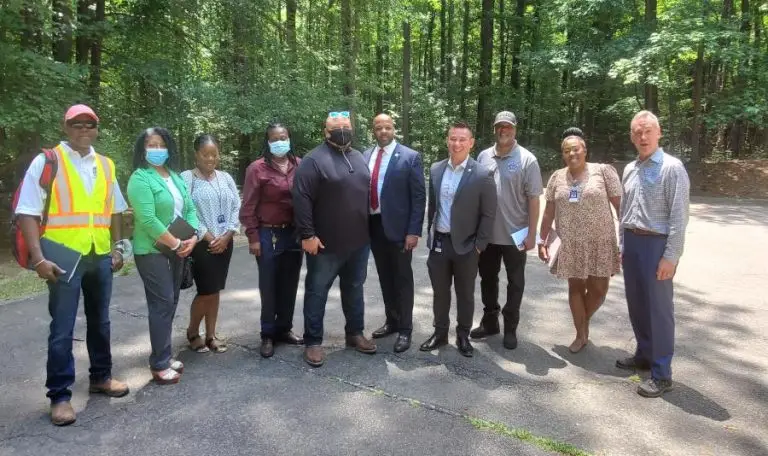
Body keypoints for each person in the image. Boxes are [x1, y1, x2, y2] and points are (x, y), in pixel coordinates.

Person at [14, 104, 130, 426]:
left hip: (100, 256)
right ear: (65, 127)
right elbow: (27, 212)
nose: (83, 129)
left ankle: (101, 377)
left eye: (89, 124)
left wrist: (119, 247)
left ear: (96, 128)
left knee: (101, 322)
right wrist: (38, 259)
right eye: (76, 124)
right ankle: (60, 395)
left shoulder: (106, 165)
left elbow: (116, 210)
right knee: (62, 329)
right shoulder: (48, 161)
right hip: (62, 258)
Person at [292, 111, 376, 367]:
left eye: (346, 126)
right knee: (317, 292)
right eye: (336, 126)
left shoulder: (359, 157)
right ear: (325, 131)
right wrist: (307, 234)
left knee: (354, 289)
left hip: (359, 242)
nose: (342, 130)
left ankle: (355, 333)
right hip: (324, 245)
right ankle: (313, 342)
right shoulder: (313, 160)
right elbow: (301, 198)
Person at [615, 111, 690, 398]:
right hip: (633, 244)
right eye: (637, 132)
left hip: (656, 245)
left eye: (647, 131)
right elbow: (624, 212)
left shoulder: (672, 168)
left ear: (659, 133)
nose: (642, 137)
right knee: (637, 304)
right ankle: (644, 355)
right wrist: (623, 245)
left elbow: (679, 218)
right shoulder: (630, 169)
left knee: (659, 311)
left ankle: (662, 374)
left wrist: (671, 257)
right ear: (632, 136)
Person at [537, 127, 621, 353]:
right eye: (566, 151)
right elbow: (548, 212)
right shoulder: (557, 177)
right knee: (575, 287)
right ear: (562, 154)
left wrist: (626, 238)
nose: (571, 154)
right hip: (570, 243)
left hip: (600, 243)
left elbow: (619, 206)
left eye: (576, 149)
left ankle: (582, 319)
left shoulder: (603, 172)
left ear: (585, 150)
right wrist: (541, 239)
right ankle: (581, 334)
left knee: (599, 291)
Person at [127, 127, 200, 385]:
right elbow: (147, 218)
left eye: (161, 145)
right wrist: (177, 242)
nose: (156, 149)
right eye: (151, 145)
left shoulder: (175, 177)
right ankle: (159, 364)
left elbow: (189, 209)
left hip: (177, 248)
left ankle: (165, 355)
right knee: (162, 304)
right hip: (152, 251)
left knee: (171, 302)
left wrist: (192, 237)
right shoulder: (140, 178)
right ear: (142, 149)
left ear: (169, 148)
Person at [420, 121, 497, 357]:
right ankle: (440, 334)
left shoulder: (483, 174)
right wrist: (430, 236)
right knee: (440, 292)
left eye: (462, 139)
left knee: (465, 294)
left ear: (471, 143)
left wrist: (479, 246)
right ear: (447, 140)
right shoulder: (435, 169)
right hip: (440, 244)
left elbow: (489, 213)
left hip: (467, 247)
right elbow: (433, 207)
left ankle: (463, 335)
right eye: (453, 138)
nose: (457, 143)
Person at [472, 111, 542, 350]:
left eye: (508, 126)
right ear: (494, 129)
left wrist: (533, 234)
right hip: (487, 235)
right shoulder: (483, 156)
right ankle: (490, 322)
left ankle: (511, 327)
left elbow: (534, 199)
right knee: (487, 279)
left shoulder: (527, 160)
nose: (504, 130)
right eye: (500, 126)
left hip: (516, 235)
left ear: (515, 129)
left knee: (516, 282)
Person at [240, 123, 304, 358]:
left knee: (290, 283)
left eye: (284, 137)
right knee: (269, 285)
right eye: (275, 138)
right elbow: (247, 206)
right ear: (267, 142)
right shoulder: (257, 169)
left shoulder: (300, 164)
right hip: (268, 234)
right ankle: (267, 333)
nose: (280, 141)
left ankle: (284, 328)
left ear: (289, 138)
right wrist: (253, 237)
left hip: (294, 234)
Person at [364, 114, 426, 353]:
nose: (383, 131)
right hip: (373, 226)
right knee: (384, 277)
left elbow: (418, 197)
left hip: (400, 230)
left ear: (394, 129)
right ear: (373, 130)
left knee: (402, 279)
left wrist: (413, 231)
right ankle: (392, 321)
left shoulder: (410, 157)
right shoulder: (365, 156)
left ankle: (405, 329)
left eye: (387, 127)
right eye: (378, 127)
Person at [181, 135, 240, 354]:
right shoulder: (187, 178)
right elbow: (186, 212)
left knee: (215, 290)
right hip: (201, 243)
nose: (210, 158)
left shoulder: (225, 177)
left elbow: (237, 206)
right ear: (196, 154)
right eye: (205, 154)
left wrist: (228, 235)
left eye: (214, 154)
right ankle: (193, 332)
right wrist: (209, 237)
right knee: (206, 291)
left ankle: (211, 335)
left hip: (226, 241)